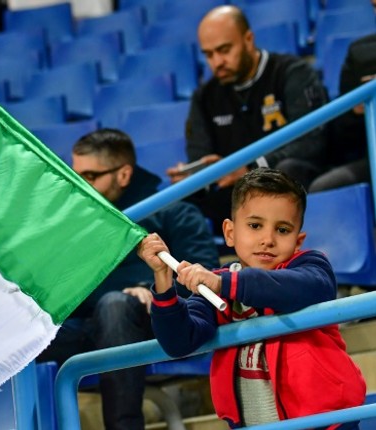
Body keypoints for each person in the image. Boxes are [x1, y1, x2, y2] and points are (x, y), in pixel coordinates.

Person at [138, 168, 366, 428]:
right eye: (255, 225)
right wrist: (163, 281)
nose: (267, 239)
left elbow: (301, 288)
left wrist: (223, 283)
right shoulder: (215, 288)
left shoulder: (310, 266)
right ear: (230, 232)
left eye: (282, 230)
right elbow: (179, 342)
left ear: (298, 240)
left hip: (327, 422)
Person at [37, 129, 219, 430]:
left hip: (156, 326)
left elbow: (204, 282)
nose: (79, 185)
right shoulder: (76, 224)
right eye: (75, 174)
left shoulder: (175, 211)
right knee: (19, 327)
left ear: (123, 174)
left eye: (91, 176)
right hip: (89, 328)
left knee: (115, 305)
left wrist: (155, 289)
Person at [167, 5, 328, 234]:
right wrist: (197, 172)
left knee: (287, 170)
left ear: (249, 39)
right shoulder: (204, 96)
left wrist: (250, 168)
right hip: (236, 196)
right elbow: (199, 154)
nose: (217, 62)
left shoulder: (291, 72)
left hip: (292, 182)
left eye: (224, 50)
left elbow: (312, 140)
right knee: (175, 203)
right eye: (209, 54)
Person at [309, 1, 376, 192]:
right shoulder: (361, 53)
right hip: (372, 159)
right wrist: (355, 114)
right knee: (325, 187)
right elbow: (342, 136)